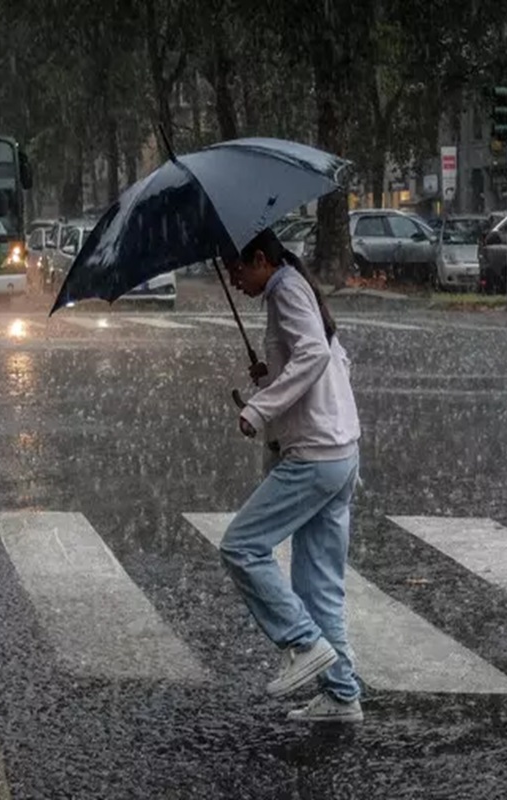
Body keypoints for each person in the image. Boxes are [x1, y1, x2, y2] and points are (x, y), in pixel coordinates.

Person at [219, 227, 363, 723]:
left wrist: (260, 408)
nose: (233, 281)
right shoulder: (296, 286)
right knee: (319, 585)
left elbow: (315, 356)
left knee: (240, 546)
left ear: (259, 258)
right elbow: (330, 360)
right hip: (341, 451)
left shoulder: (284, 288)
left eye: (236, 269)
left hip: (315, 454)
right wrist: (272, 377)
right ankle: (343, 695)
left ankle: (303, 644)